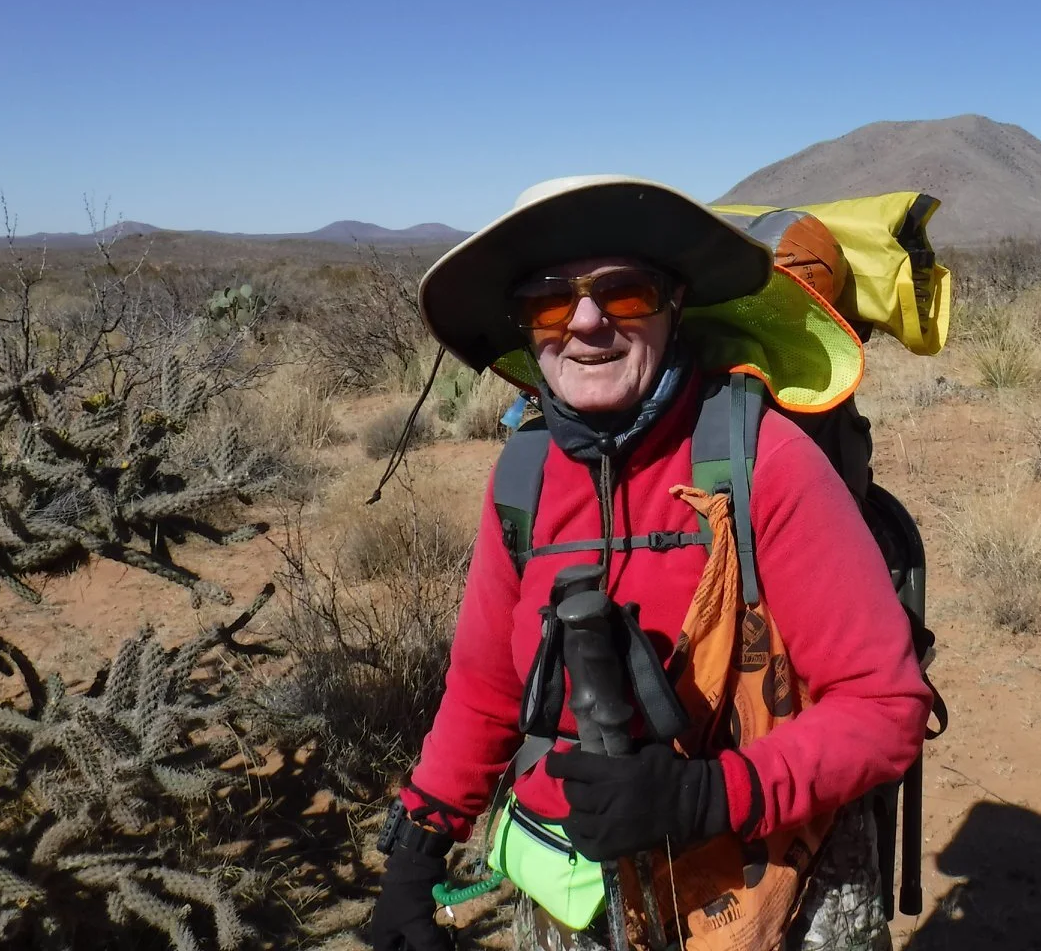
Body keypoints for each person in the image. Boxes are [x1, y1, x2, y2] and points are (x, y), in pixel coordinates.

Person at [370, 175, 933, 951]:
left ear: (674, 306)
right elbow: (486, 688)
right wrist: (417, 850)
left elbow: (885, 706)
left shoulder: (761, 461)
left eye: (624, 293)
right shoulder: (523, 480)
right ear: (526, 327)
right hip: (573, 881)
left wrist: (707, 795)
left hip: (766, 870)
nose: (587, 322)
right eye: (549, 299)